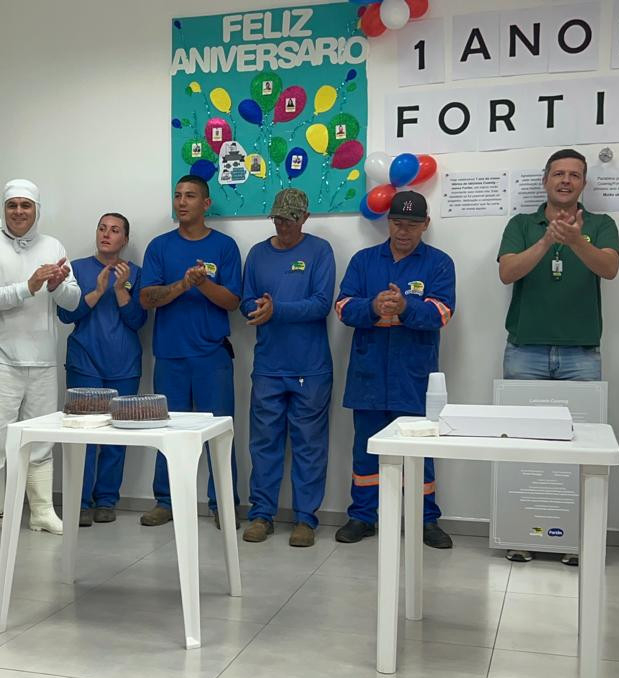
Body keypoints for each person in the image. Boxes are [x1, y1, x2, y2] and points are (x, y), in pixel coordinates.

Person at [496, 148, 619, 564]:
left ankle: (575, 541)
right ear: (545, 180)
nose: (566, 180)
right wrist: (547, 240)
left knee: (581, 450)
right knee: (522, 446)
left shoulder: (601, 225)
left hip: (580, 354)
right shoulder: (521, 224)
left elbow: (609, 268)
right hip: (525, 352)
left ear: (584, 183)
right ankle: (520, 534)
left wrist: (576, 240)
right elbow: (507, 272)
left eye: (574, 175)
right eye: (559, 174)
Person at [335, 190, 455, 550]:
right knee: (366, 451)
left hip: (413, 376)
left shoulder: (439, 263)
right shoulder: (363, 261)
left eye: (412, 225)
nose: (404, 231)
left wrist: (405, 307)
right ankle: (362, 517)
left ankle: (425, 520)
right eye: (398, 223)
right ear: (388, 222)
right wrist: (374, 307)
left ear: (426, 224)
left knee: (420, 451)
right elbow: (343, 307)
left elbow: (442, 313)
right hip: (368, 374)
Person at [0, 179, 79, 547]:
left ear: (36, 210)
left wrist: (57, 286)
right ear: (4, 209)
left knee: (42, 439)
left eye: (25, 205)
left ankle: (42, 511)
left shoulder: (54, 245)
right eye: (12, 205)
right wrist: (27, 287)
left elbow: (73, 301)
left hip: (43, 359)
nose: (18, 212)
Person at [138, 175, 243, 527]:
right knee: (168, 434)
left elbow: (233, 301)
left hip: (212, 356)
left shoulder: (225, 246)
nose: (182, 202)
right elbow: (146, 298)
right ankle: (166, 501)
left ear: (206, 203)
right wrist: (184, 285)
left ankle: (223, 504)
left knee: (219, 435)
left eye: (191, 196)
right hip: (170, 356)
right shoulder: (159, 246)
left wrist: (204, 283)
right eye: (178, 195)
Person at [238, 189, 335, 548]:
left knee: (310, 446)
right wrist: (258, 307)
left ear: (305, 218)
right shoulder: (257, 254)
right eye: (278, 219)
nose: (283, 225)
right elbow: (246, 301)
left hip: (311, 368)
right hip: (268, 366)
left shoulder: (320, 251)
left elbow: (321, 304)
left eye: (290, 219)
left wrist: (277, 309)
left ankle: (305, 519)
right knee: (264, 444)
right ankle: (261, 514)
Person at [57, 213, 146, 527]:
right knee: (84, 435)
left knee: (116, 436)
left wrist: (121, 290)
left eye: (115, 230)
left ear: (125, 239)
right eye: (102, 228)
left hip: (124, 364)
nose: (106, 234)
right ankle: (79, 502)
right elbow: (66, 315)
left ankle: (107, 500)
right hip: (85, 362)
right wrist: (96, 291)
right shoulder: (77, 269)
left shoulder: (135, 273)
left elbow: (138, 321)